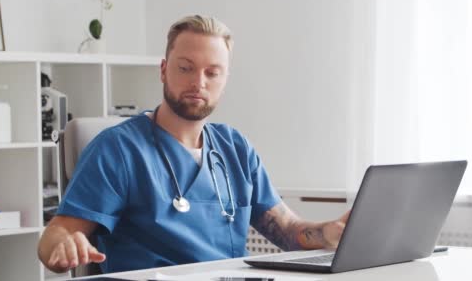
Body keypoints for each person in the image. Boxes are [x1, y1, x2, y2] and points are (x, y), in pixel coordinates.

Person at [38, 15, 349, 274]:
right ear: (163, 70)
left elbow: (287, 229)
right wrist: (63, 244)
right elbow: (56, 235)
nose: (198, 83)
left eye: (212, 73)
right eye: (185, 68)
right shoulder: (118, 150)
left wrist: (327, 232)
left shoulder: (236, 149)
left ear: (225, 79)